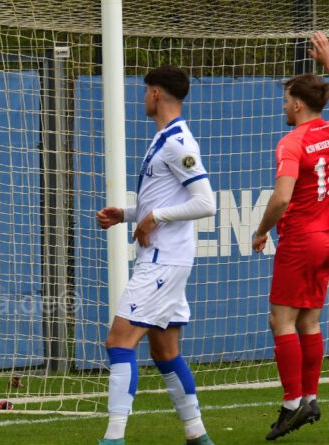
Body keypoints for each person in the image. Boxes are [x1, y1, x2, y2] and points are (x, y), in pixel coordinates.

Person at [95, 65, 216, 445]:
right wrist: (127, 215)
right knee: (165, 350)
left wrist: (153, 217)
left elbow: (205, 203)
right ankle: (197, 435)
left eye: (146, 89)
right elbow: (165, 198)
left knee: (118, 341)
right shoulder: (164, 138)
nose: (143, 96)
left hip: (164, 259)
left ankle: (113, 439)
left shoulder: (179, 142)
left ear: (157, 94)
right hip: (167, 258)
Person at [251, 33, 329, 440]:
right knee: (310, 319)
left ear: (298, 104)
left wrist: (262, 230)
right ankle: (311, 397)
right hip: (327, 237)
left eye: (285, 100)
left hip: (300, 238)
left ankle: (292, 403)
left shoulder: (293, 141)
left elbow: (282, 197)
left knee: (280, 320)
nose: (283, 106)